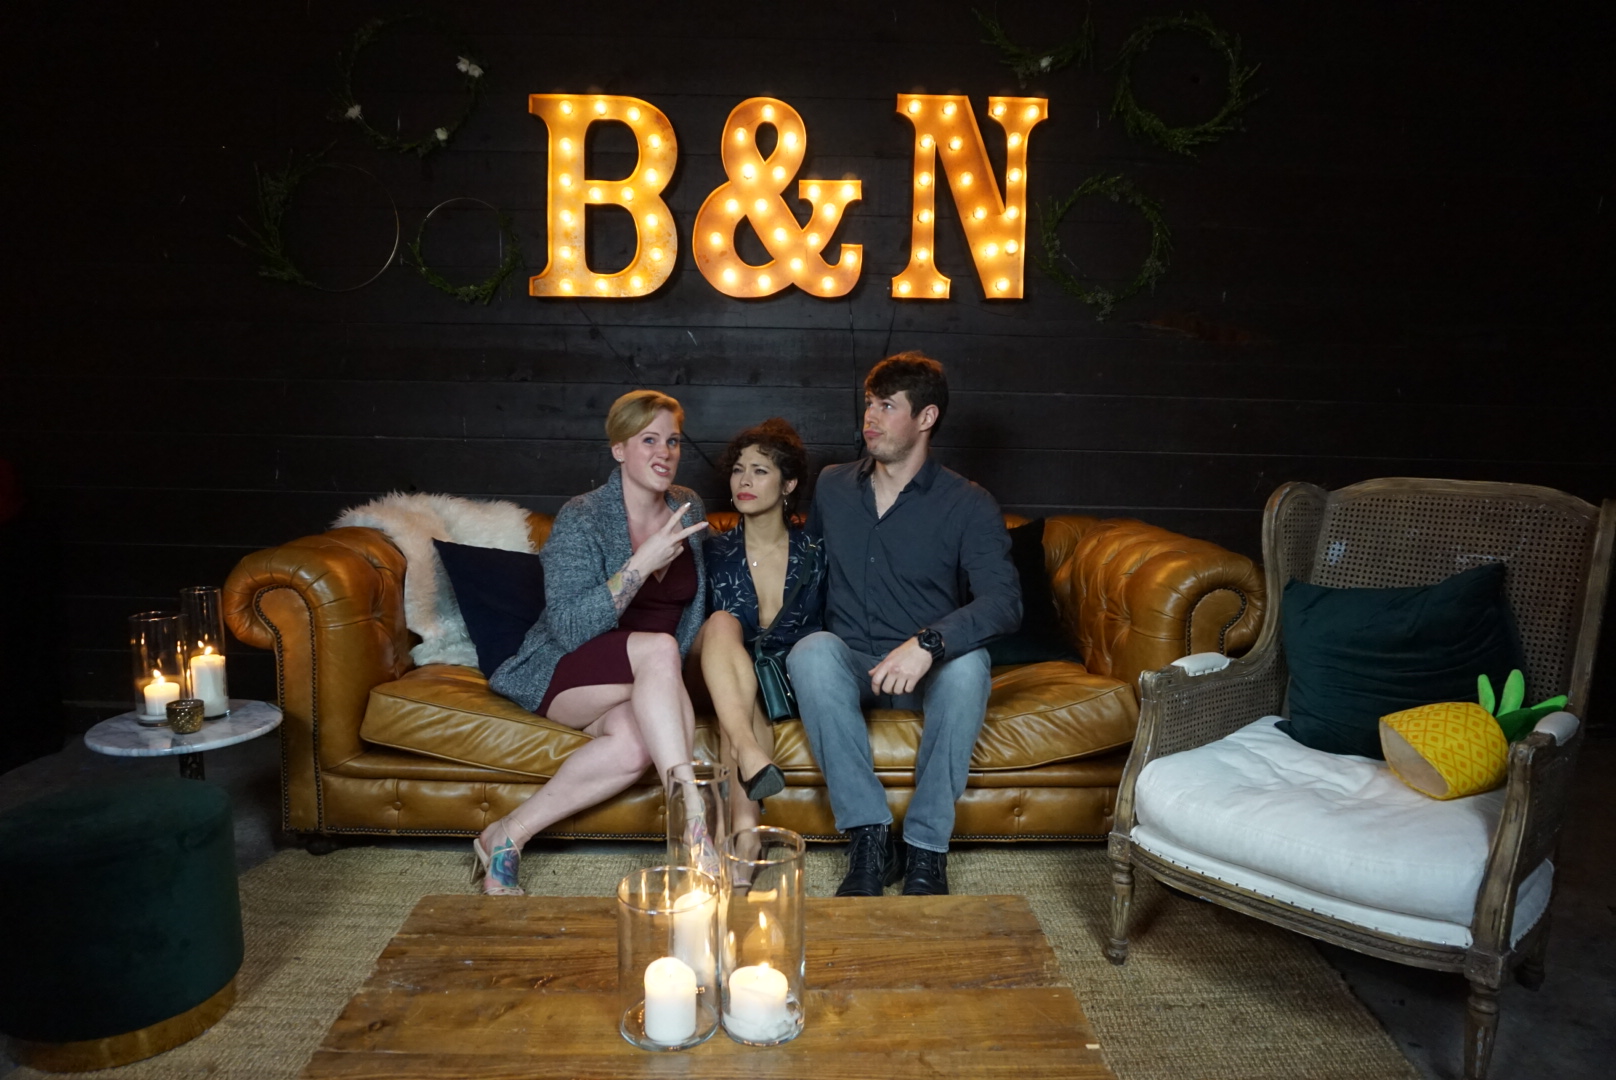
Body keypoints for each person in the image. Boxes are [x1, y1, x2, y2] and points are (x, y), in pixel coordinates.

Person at [787, 352, 1020, 897]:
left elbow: (1004, 601)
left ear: (926, 417)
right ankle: (868, 838)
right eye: (869, 403)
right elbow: (806, 571)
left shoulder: (968, 502)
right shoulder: (833, 486)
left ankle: (926, 849)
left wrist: (929, 644)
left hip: (925, 671)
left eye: (887, 406)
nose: (870, 416)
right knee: (810, 652)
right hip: (850, 666)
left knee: (970, 666)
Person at [481, 390, 710, 896]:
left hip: (649, 681)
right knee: (659, 649)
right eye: (648, 440)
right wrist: (638, 566)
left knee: (634, 745)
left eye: (672, 441)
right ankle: (694, 819)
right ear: (619, 449)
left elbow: (696, 610)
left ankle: (506, 835)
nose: (664, 452)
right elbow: (568, 626)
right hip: (570, 671)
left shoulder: (688, 506)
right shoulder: (582, 517)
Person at [693, 419, 826, 830]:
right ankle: (749, 753)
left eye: (760, 470)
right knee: (720, 622)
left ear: (789, 485)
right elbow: (687, 625)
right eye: (738, 470)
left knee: (747, 702)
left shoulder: (816, 552)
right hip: (711, 670)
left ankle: (745, 836)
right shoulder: (711, 551)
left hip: (778, 683)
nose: (744, 481)